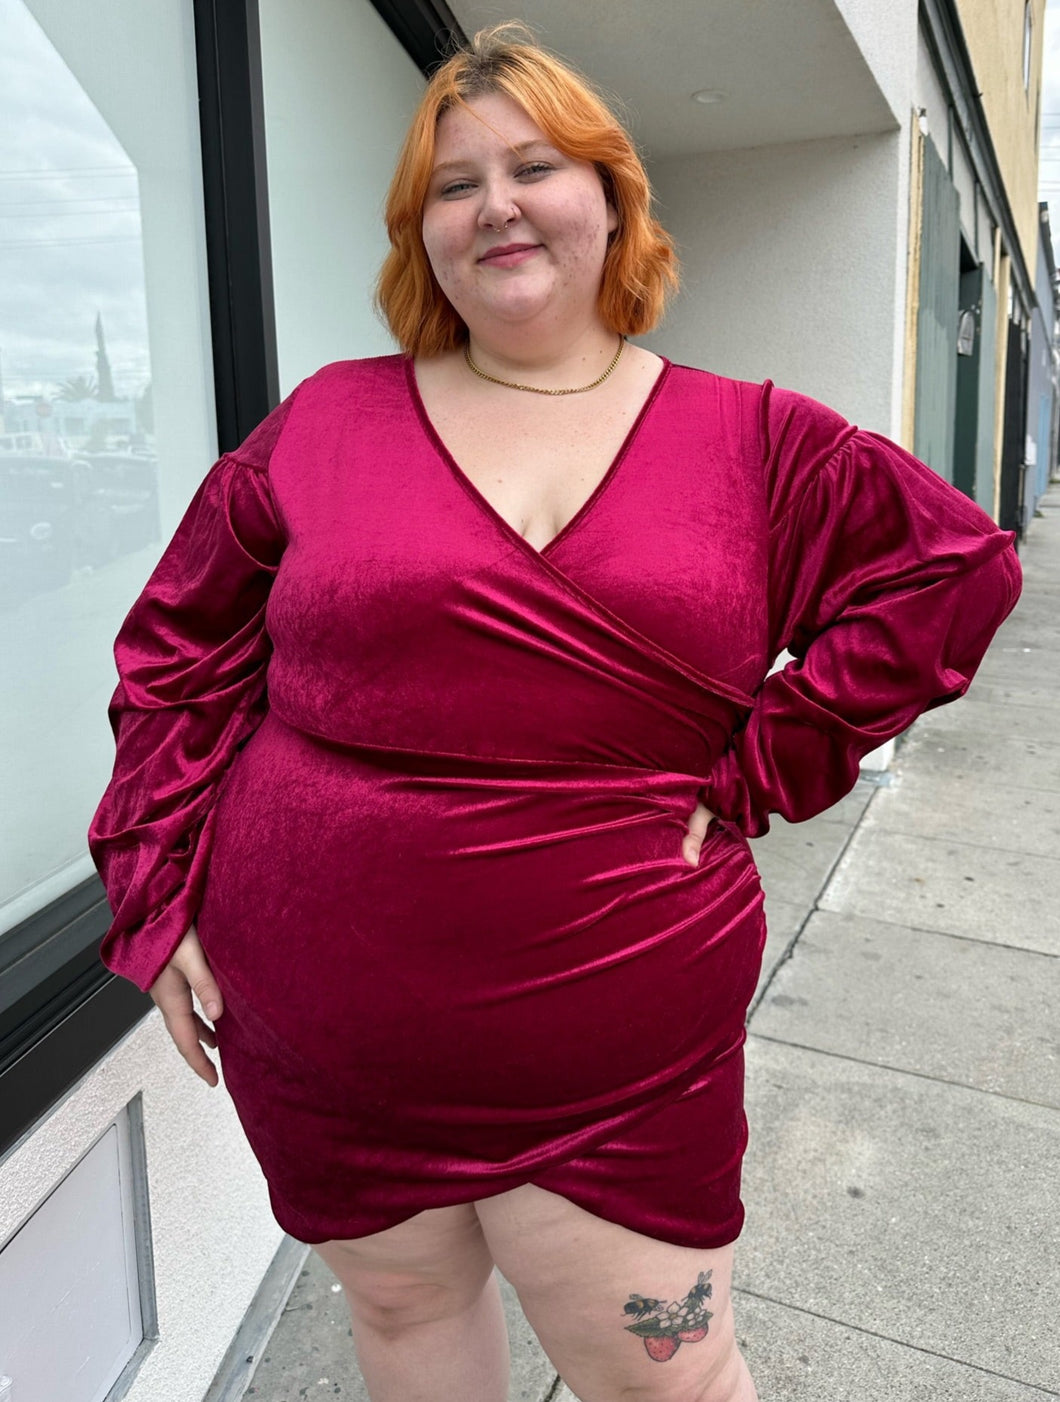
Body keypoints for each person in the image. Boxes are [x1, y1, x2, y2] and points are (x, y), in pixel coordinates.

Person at [88, 23, 1021, 1402]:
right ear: (423, 235)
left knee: (673, 1373)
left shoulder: (753, 439)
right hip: (321, 1022)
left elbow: (952, 573)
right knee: (403, 1322)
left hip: (612, 1037)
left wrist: (766, 764)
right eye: (454, 185)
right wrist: (151, 886)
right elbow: (177, 655)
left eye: (534, 165)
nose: (498, 204)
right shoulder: (325, 424)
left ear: (612, 196)